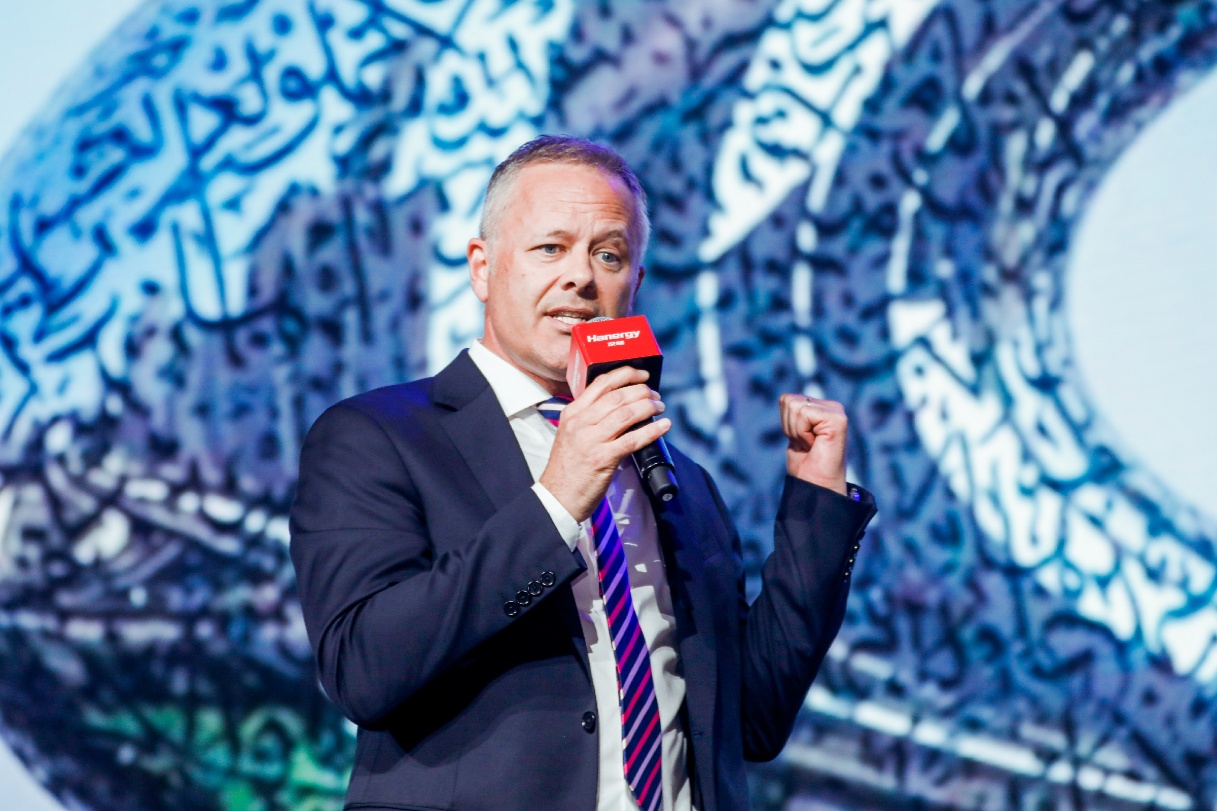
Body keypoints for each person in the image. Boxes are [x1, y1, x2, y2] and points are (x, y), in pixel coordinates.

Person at [289, 135, 876, 811]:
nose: (581, 277)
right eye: (550, 248)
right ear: (482, 267)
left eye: (609, 255)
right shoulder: (378, 436)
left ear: (635, 285)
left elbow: (753, 718)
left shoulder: (679, 481)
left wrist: (815, 505)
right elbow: (364, 669)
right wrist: (559, 498)